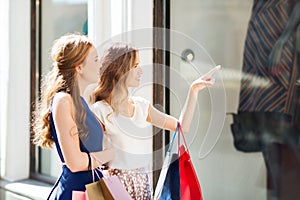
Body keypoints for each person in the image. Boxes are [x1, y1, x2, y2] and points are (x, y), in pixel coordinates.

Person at [90, 42, 220, 199]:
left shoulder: (141, 106)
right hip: (114, 185)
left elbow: (181, 127)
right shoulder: (100, 110)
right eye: (135, 66)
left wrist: (193, 91)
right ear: (120, 70)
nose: (141, 71)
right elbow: (91, 157)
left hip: (143, 184)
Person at [32, 33, 114, 199]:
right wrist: (110, 154)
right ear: (79, 67)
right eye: (96, 60)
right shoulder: (63, 101)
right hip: (76, 192)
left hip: (92, 189)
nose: (101, 65)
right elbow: (75, 163)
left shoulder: (81, 102)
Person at [237, 0, 300, 199]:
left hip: (281, 45)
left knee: (281, 122)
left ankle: (284, 192)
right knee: (263, 127)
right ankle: (273, 193)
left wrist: (283, 40)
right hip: (258, 40)